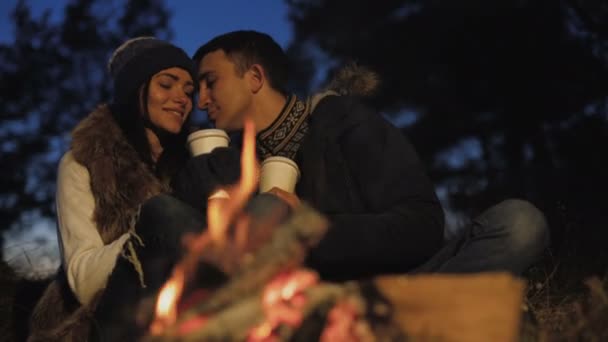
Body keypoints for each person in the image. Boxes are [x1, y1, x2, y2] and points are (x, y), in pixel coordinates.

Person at [189, 30, 550, 280]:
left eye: (210, 82)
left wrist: (314, 231)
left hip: (402, 285)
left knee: (519, 224)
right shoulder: (232, 164)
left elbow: (421, 227)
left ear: (254, 77)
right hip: (304, 306)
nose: (201, 101)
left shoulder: (342, 121)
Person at [27, 37, 242, 341]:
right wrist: (151, 233)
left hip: (190, 299)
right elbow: (83, 279)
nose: (182, 98)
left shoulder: (196, 156)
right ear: (134, 91)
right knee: (163, 211)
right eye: (166, 85)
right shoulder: (84, 162)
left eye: (188, 90)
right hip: (108, 312)